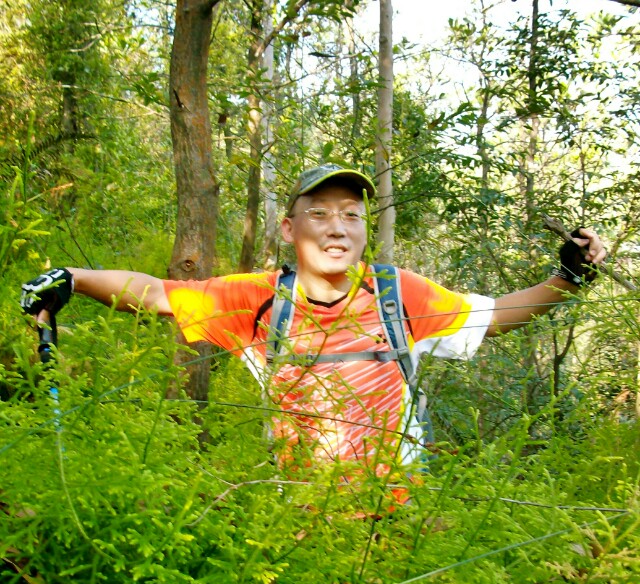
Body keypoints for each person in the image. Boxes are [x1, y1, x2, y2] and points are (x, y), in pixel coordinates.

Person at [21, 164, 607, 490]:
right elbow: (158, 294)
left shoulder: (398, 292)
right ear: (287, 228)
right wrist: (72, 277)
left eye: (352, 215)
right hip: (298, 527)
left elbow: (495, 316)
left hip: (399, 523)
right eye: (320, 213)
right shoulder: (256, 300)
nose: (337, 227)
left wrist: (568, 277)